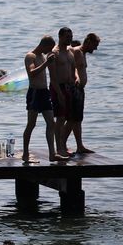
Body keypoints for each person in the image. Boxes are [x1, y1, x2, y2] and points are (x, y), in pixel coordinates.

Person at [22, 35, 67, 164]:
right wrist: (46, 63)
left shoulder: (42, 56)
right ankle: (26, 154)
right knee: (31, 124)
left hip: (44, 93)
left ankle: (52, 154)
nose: (51, 50)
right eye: (50, 48)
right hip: (34, 93)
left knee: (51, 123)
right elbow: (31, 73)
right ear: (44, 45)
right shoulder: (31, 56)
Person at [69, 32, 100, 154]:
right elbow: (73, 67)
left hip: (80, 90)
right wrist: (76, 77)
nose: (96, 48)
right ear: (88, 42)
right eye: (95, 45)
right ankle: (62, 145)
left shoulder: (83, 53)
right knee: (72, 119)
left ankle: (79, 146)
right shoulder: (76, 51)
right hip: (75, 89)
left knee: (78, 119)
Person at [49, 27, 79, 155]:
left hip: (70, 87)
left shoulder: (70, 51)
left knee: (72, 117)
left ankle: (63, 144)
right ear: (60, 37)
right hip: (58, 87)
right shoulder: (54, 53)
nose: (70, 39)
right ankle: (59, 148)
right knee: (60, 118)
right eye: (67, 37)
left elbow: (74, 69)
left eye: (71, 36)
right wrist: (59, 94)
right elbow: (53, 76)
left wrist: (76, 78)